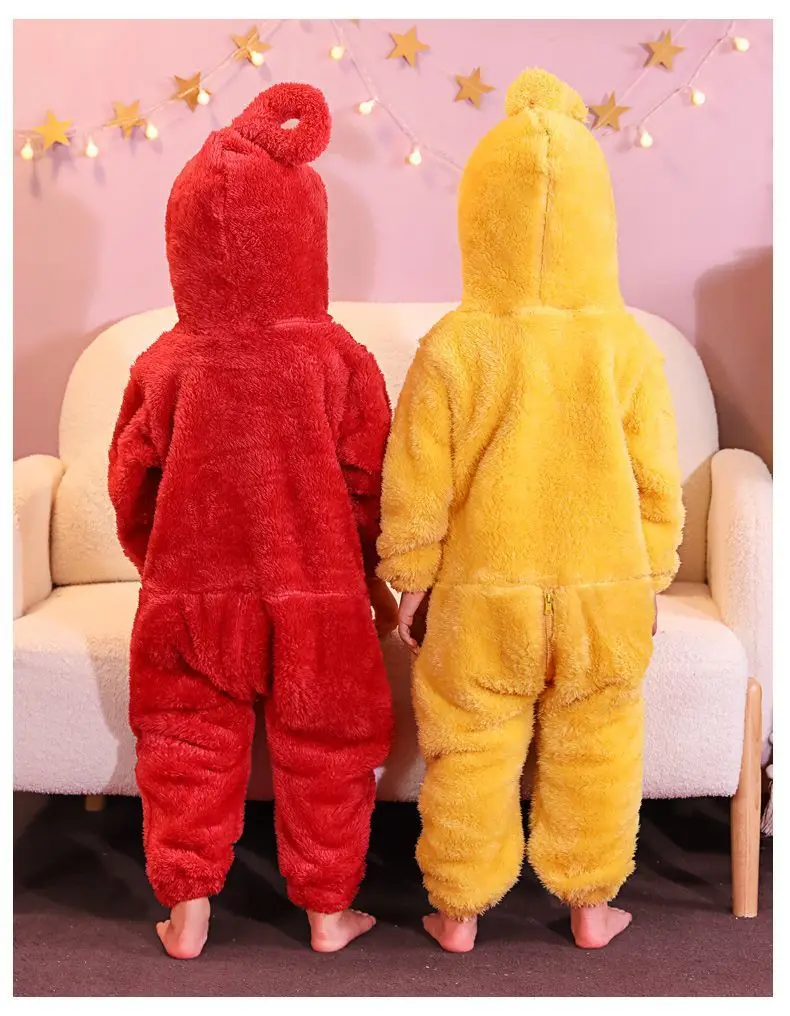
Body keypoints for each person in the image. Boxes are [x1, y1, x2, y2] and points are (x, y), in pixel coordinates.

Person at [377, 68, 684, 952]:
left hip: (484, 597)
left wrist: (411, 579)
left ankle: (459, 912)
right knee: (598, 745)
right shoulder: (627, 345)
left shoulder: (454, 345)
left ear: (480, 220)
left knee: (469, 748)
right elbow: (657, 481)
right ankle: (591, 907)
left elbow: (416, 479)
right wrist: (650, 576)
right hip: (602, 594)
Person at [109, 82, 396, 959]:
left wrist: (156, 562)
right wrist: (370, 575)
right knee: (328, 744)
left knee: (185, 741)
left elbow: (130, 486)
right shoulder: (338, 360)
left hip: (192, 593)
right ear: (308, 237)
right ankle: (327, 913)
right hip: (319, 592)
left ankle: (188, 913)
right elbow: (374, 482)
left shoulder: (165, 364)